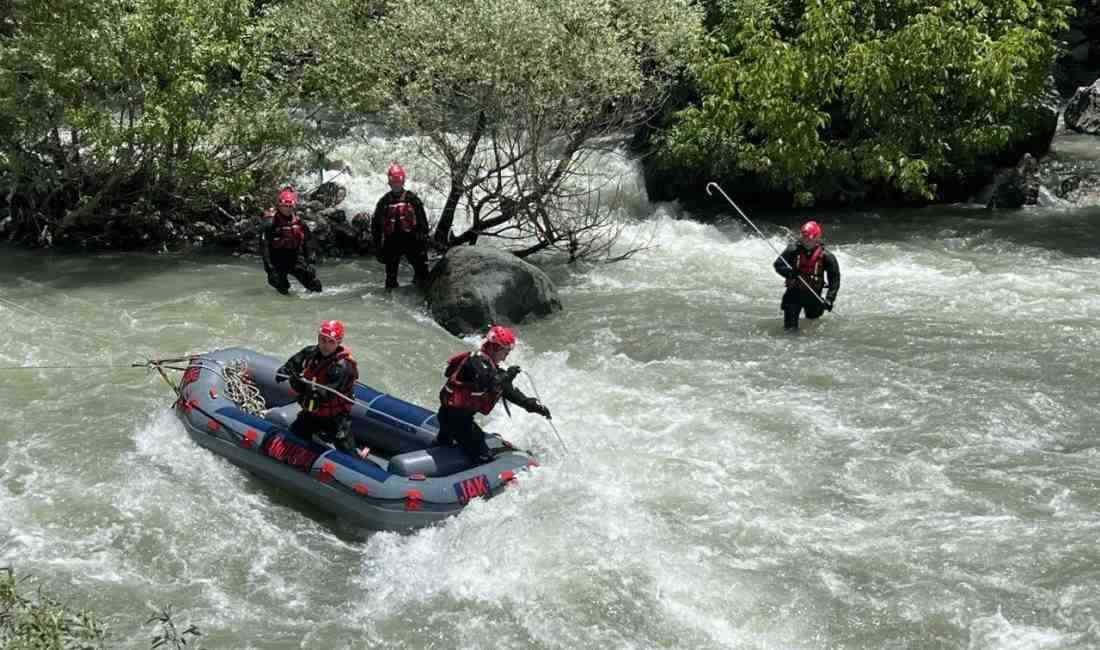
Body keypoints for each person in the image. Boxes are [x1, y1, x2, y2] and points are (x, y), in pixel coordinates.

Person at [436, 325, 551, 464]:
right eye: (505, 352)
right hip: (457, 420)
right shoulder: (475, 361)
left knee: (454, 439)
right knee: (482, 454)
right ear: (495, 348)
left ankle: (444, 445)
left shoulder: (491, 368)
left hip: (454, 418)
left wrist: (532, 405)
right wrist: (508, 375)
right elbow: (488, 382)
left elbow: (508, 391)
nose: (506, 356)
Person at [275, 320, 370, 459]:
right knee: (294, 436)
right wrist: (285, 370)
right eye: (322, 340)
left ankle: (358, 458)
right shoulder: (311, 352)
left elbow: (323, 395)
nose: (325, 345)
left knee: (347, 452)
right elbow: (294, 363)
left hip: (335, 418)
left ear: (338, 342)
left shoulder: (342, 366)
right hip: (312, 413)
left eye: (330, 341)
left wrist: (297, 383)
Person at [371, 163, 430, 291]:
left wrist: (423, 242)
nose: (396, 185)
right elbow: (376, 226)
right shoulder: (384, 201)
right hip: (392, 242)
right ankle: (391, 299)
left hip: (411, 240)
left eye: (398, 182)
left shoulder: (412, 199)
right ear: (389, 183)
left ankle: (421, 293)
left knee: (422, 273)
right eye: (394, 182)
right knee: (390, 279)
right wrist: (377, 248)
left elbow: (422, 223)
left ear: (403, 182)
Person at [773, 220, 841, 332]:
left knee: (812, 327)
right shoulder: (792, 250)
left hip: (814, 295)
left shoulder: (827, 256)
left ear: (817, 238)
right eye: (804, 238)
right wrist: (790, 273)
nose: (806, 241)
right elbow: (778, 265)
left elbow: (835, 280)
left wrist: (830, 299)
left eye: (809, 238)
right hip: (793, 294)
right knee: (790, 330)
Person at [261, 187, 322, 295]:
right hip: (277, 260)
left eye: (290, 206)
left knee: (315, 286)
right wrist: (270, 269)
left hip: (294, 257)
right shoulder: (270, 223)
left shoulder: (299, 222)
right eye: (285, 206)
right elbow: (264, 248)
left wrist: (311, 261)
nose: (288, 209)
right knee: (282, 287)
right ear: (279, 206)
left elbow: (308, 242)